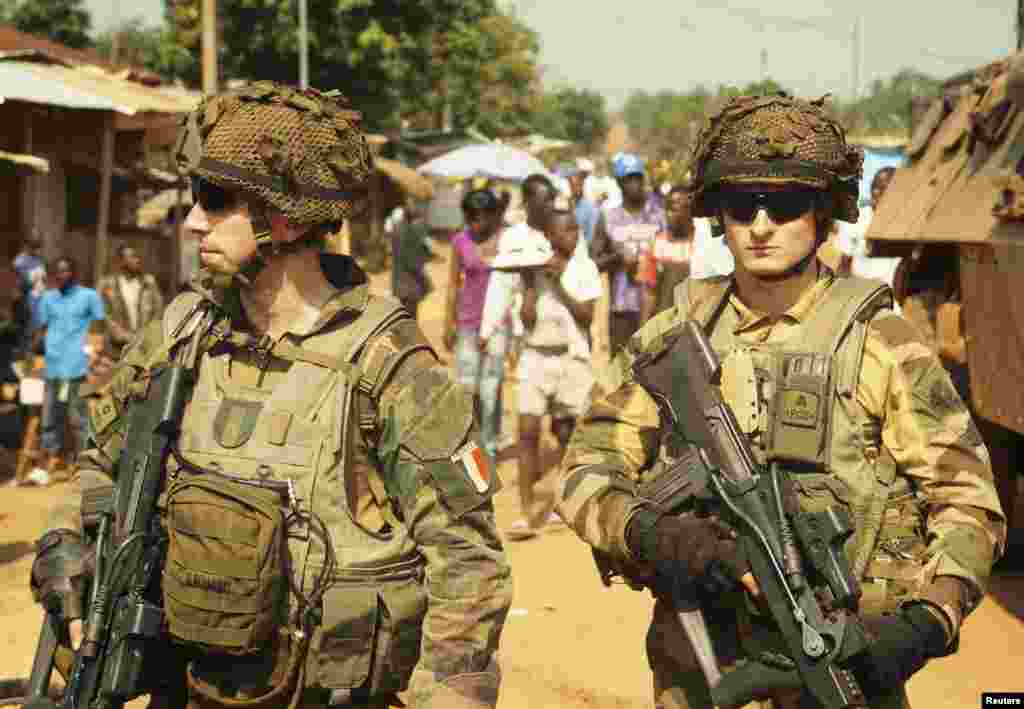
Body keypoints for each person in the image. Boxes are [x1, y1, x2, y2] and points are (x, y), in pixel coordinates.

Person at [30, 82, 512, 709]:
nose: (194, 219)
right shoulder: (181, 335)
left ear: (284, 215)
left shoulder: (388, 366)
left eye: (216, 199)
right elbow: (102, 465)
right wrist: (67, 545)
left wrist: (445, 694)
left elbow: (467, 559)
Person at [555, 94, 1005, 709]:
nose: (761, 224)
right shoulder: (672, 338)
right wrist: (659, 536)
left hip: (845, 664)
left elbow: (967, 498)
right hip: (704, 665)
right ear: (718, 214)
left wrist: (929, 619)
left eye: (786, 203)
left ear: (823, 212)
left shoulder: (879, 342)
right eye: (743, 205)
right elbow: (584, 472)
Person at [487, 209, 601, 541]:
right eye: (565, 230)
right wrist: (530, 284)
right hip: (536, 358)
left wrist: (559, 284)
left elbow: (586, 316)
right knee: (527, 433)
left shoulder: (584, 269)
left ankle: (560, 506)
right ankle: (525, 512)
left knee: (569, 436)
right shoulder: (534, 268)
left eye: (576, 229)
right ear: (550, 235)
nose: (574, 235)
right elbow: (527, 319)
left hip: (570, 359)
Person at [444, 187, 511, 462]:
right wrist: (448, 322)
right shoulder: (460, 242)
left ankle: (491, 442)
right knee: (467, 386)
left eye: (480, 217)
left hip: (497, 324)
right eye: (470, 217)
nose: (475, 223)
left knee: (490, 386)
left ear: (493, 215)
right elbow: (452, 284)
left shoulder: (507, 240)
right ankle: (471, 442)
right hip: (468, 323)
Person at [31, 256, 105, 485]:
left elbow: (98, 327)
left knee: (79, 418)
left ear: (74, 272)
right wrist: (37, 359)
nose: (61, 275)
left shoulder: (89, 296)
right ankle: (48, 464)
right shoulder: (47, 299)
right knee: (49, 418)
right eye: (57, 272)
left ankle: (83, 465)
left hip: (78, 367)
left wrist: (93, 353)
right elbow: (41, 331)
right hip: (53, 366)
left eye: (65, 271)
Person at [589, 153, 667, 355]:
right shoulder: (608, 216)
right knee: (622, 373)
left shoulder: (659, 213)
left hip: (658, 307)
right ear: (619, 183)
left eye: (637, 178)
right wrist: (618, 258)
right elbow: (593, 263)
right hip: (622, 307)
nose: (634, 185)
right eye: (628, 180)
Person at [638, 182, 734, 322]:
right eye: (668, 209)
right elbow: (649, 293)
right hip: (665, 326)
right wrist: (643, 329)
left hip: (701, 324)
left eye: (675, 209)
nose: (669, 215)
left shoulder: (707, 242)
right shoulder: (656, 244)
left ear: (689, 211)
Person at [97, 244, 166, 359]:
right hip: (115, 348)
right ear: (121, 261)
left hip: (144, 347)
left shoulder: (149, 283)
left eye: (138, 257)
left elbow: (158, 311)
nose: (137, 260)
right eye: (133, 257)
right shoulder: (107, 284)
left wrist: (146, 334)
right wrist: (119, 333)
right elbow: (102, 313)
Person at [838, 166, 901, 287]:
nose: (875, 192)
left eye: (883, 188)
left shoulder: (907, 224)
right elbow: (844, 264)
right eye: (874, 186)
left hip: (892, 293)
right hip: (860, 292)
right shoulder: (856, 220)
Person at [390, 201, 434, 320]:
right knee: (410, 319)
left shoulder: (397, 229)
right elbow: (411, 260)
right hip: (410, 285)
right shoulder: (408, 232)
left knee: (404, 317)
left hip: (400, 283)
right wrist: (425, 279)